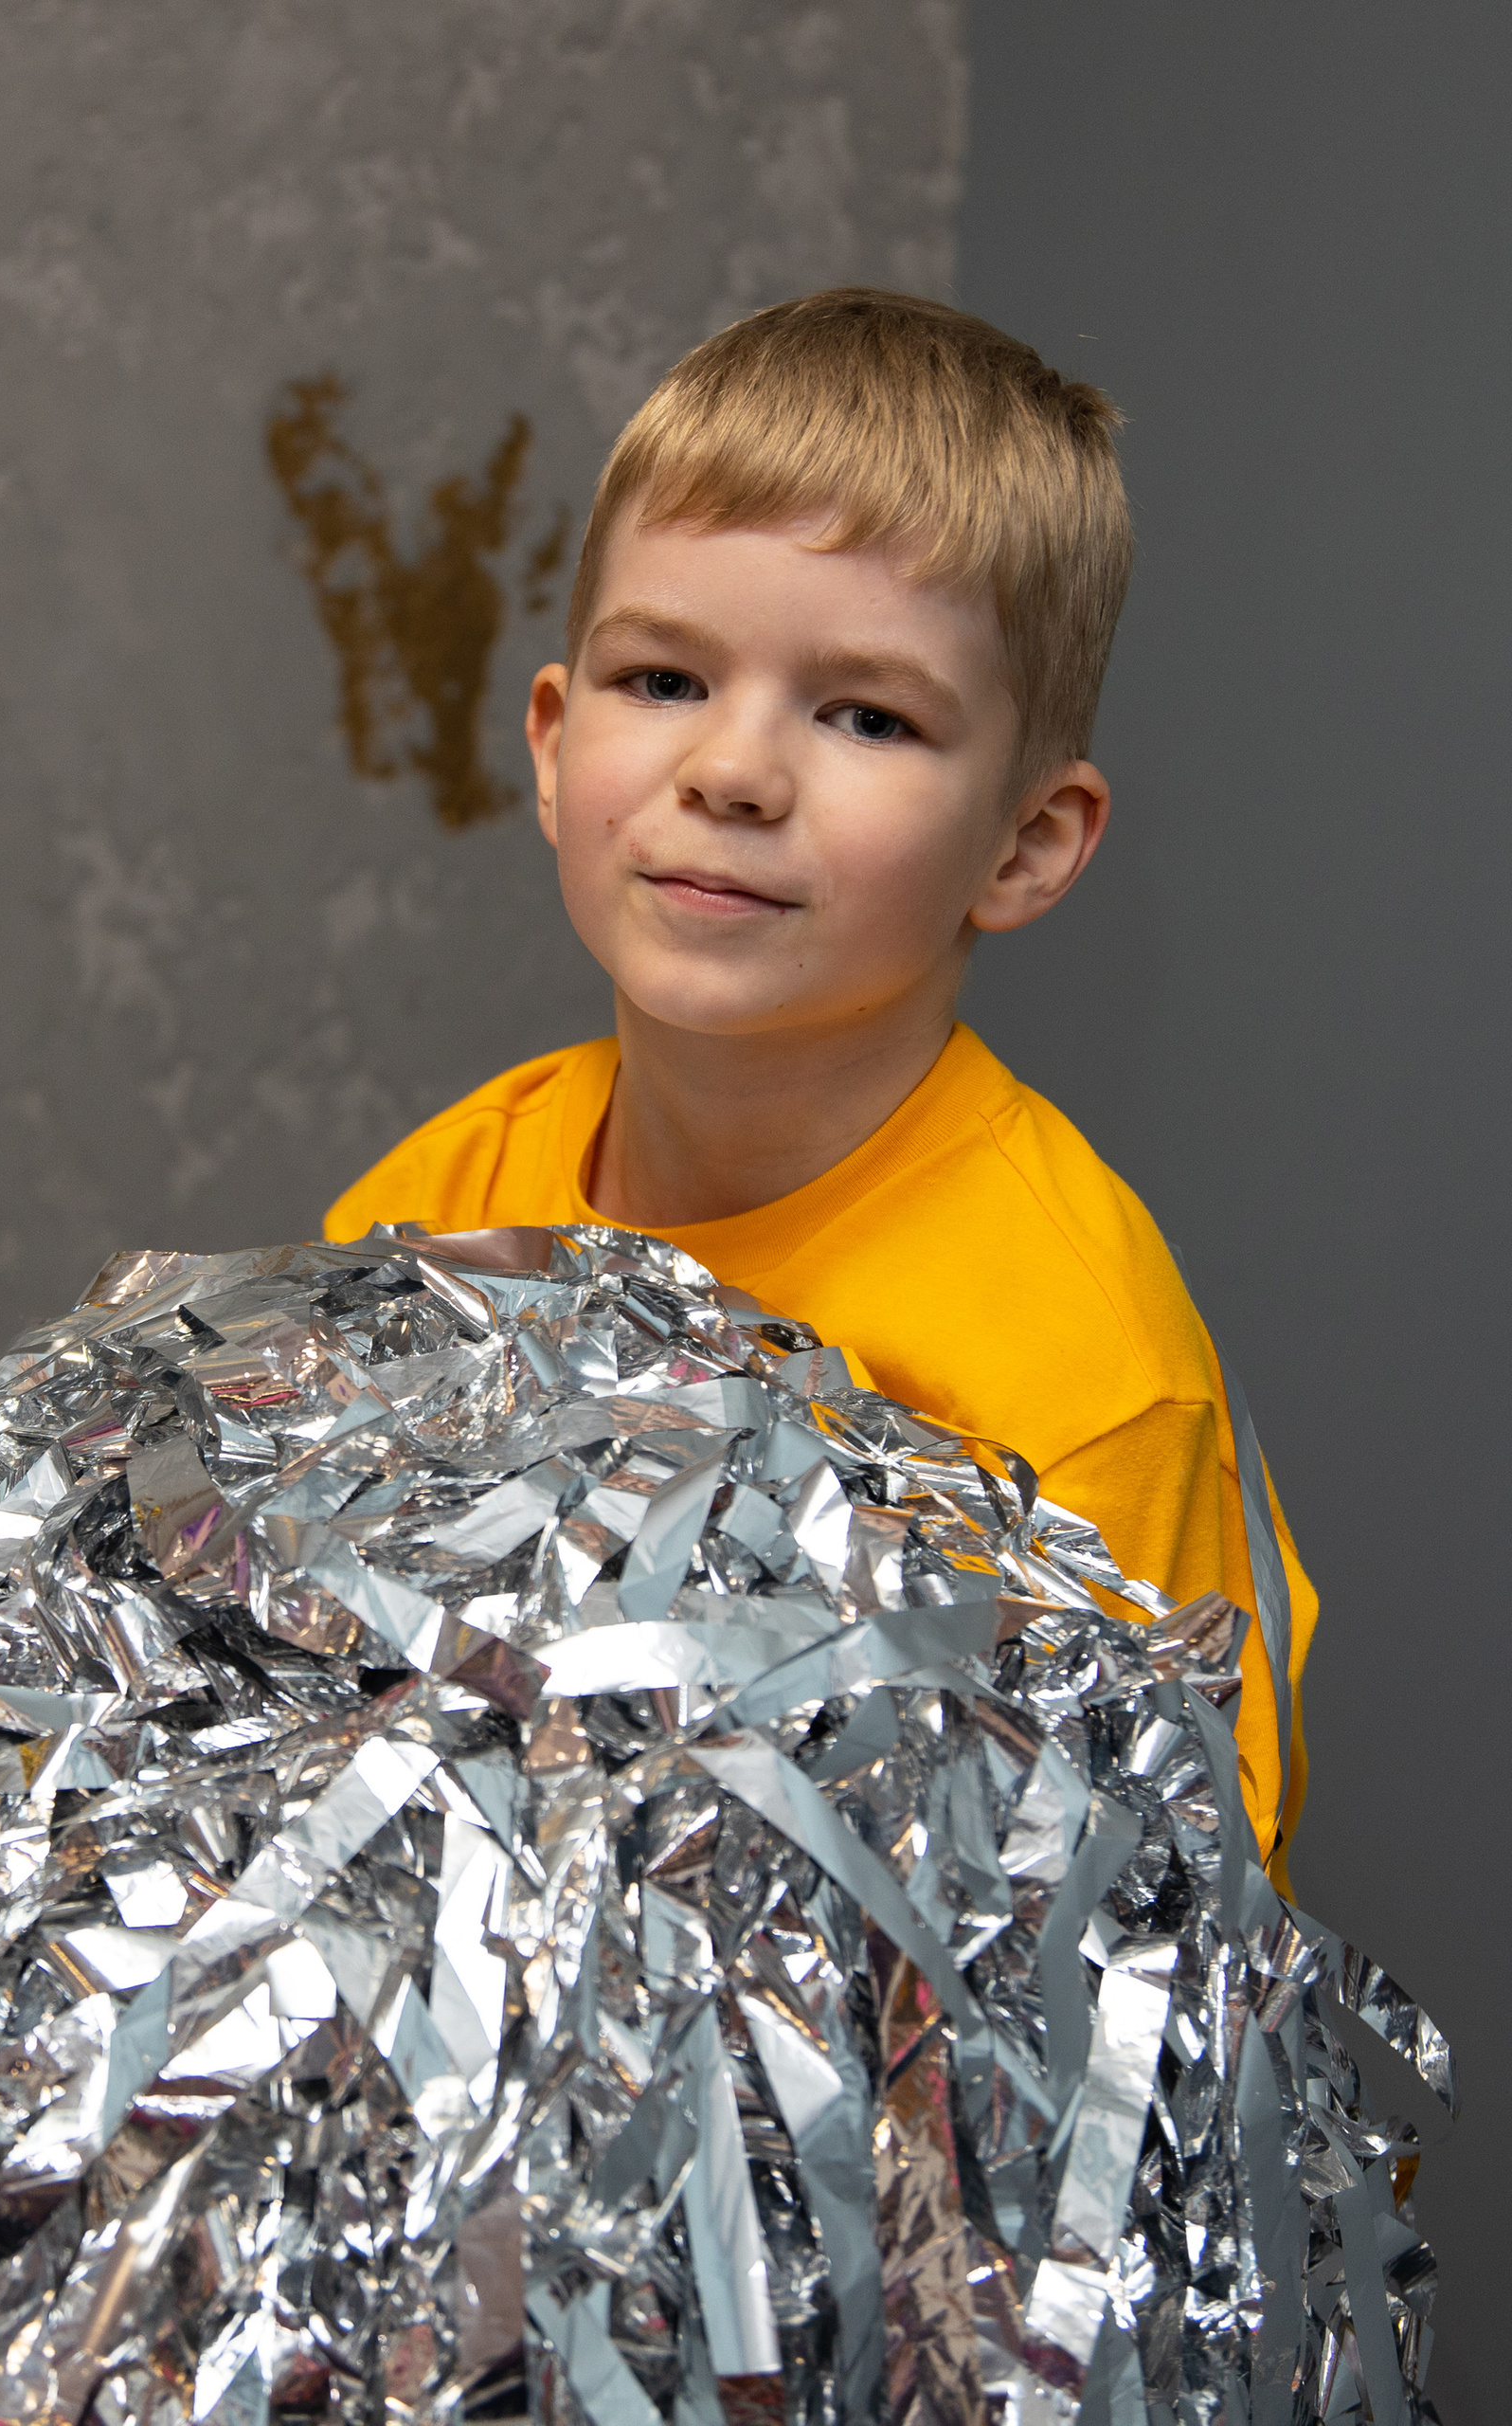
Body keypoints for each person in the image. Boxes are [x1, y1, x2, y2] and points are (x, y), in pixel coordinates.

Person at [323, 289, 1311, 1881]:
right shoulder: (438, 1212)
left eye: (866, 714)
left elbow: (1164, 1952)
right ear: (557, 747)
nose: (733, 772)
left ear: (1025, 841)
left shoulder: (1078, 1375)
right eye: (663, 681)